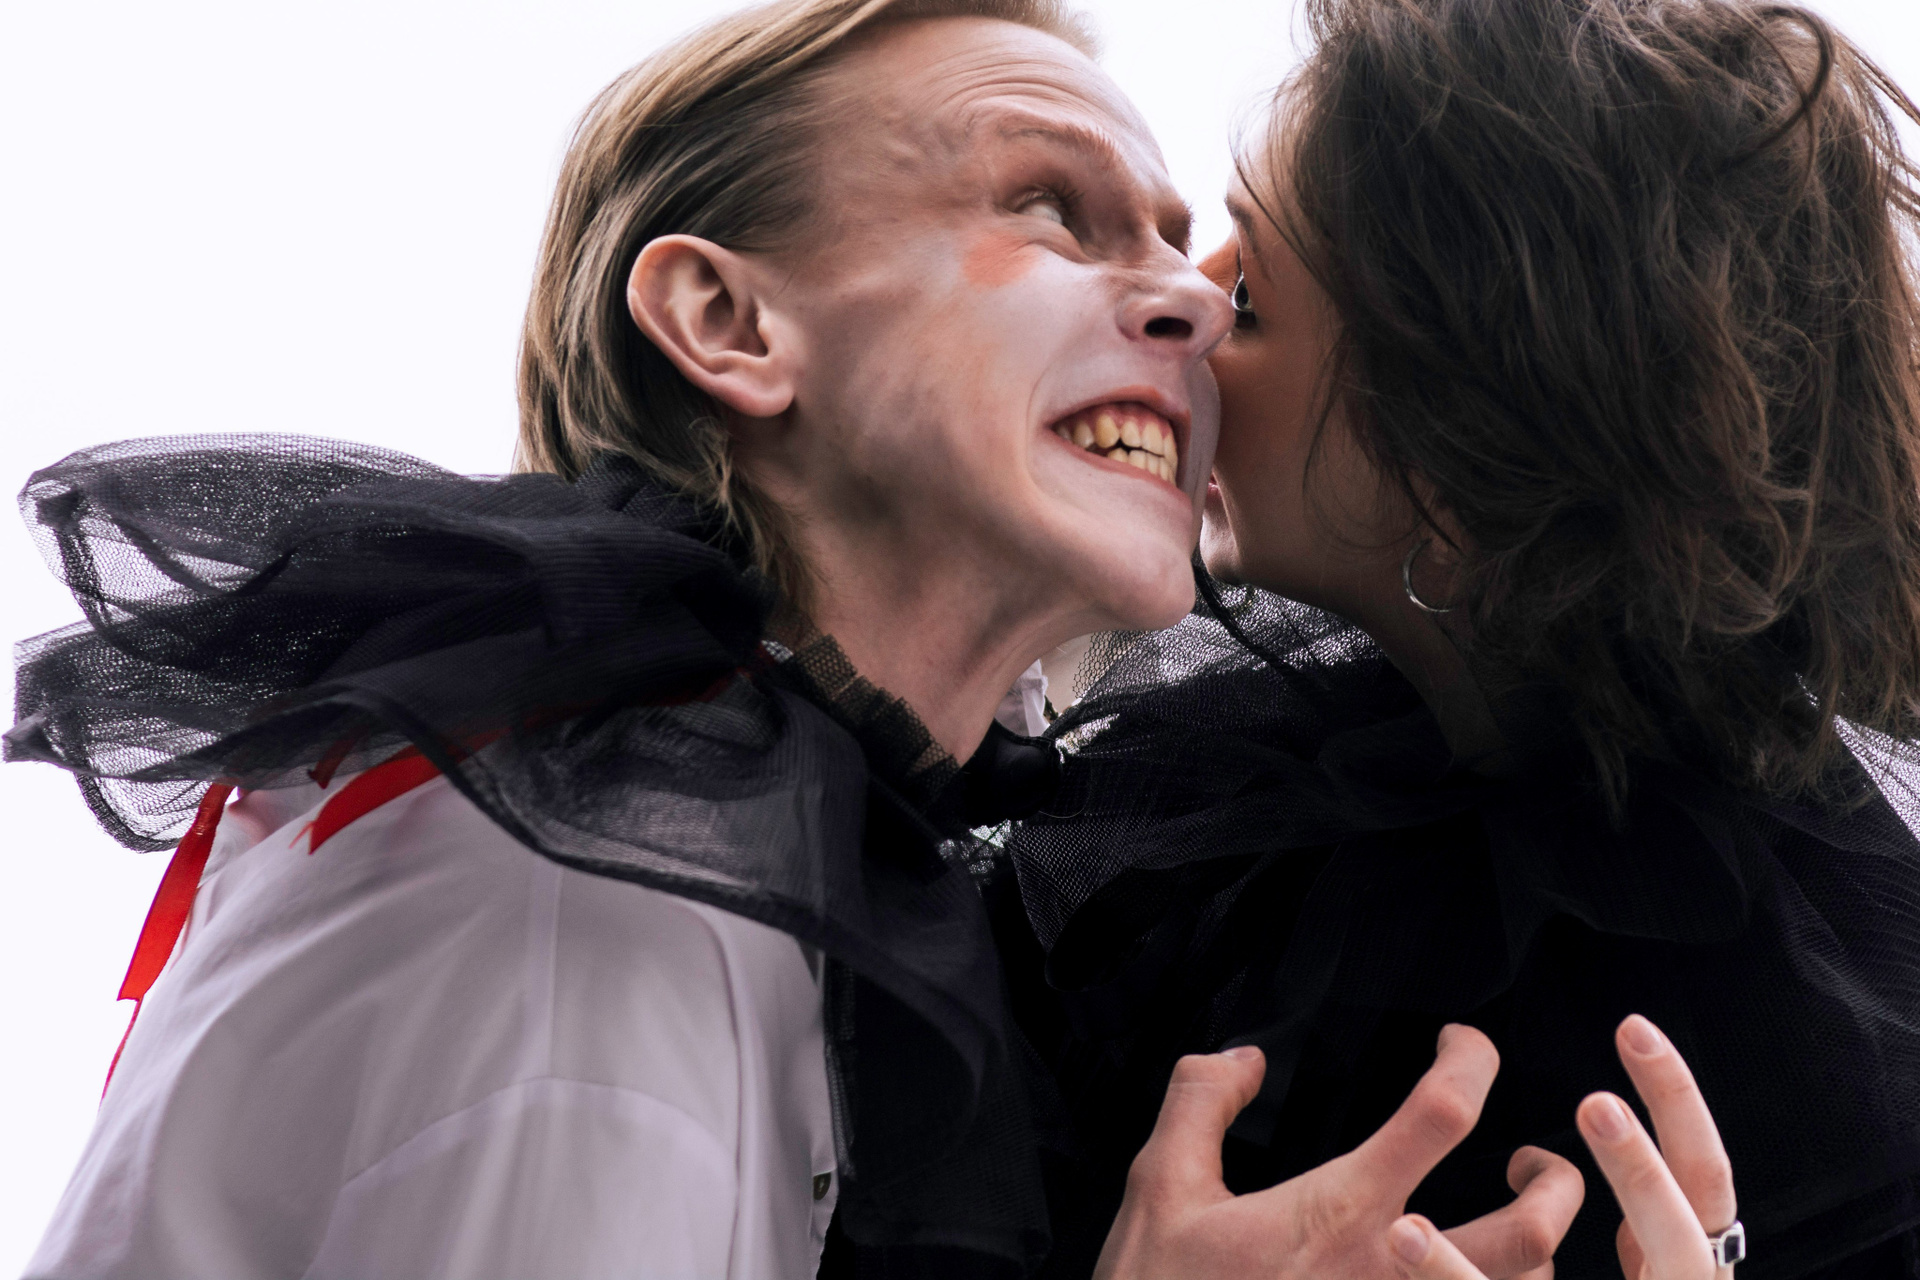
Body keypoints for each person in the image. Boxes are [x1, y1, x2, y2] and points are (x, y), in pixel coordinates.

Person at [7, 0, 1673, 1276]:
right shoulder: (589, 893)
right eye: (1050, 207)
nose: (1188, 298)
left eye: (1173, 238)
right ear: (727, 323)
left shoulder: (720, 839)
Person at [1005, 0, 1920, 1275]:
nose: (1183, 301)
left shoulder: (1769, 1046)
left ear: (1456, 471)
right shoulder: (1246, 797)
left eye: (1252, 293)